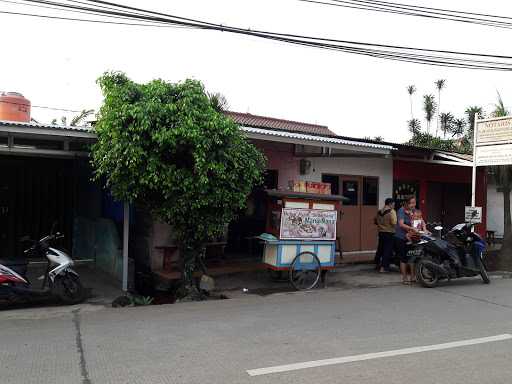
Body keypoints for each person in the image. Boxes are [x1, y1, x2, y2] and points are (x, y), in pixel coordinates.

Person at [394, 196, 419, 284]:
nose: (413, 205)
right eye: (411, 203)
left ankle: (413, 277)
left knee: (412, 257)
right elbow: (401, 224)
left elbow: (420, 220)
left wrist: (424, 228)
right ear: (406, 203)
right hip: (401, 237)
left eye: (414, 203)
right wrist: (412, 228)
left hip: (412, 237)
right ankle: (404, 278)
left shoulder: (414, 211)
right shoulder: (401, 211)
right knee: (403, 258)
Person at [374, 198, 397, 273]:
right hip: (389, 233)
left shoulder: (379, 211)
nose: (394, 205)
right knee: (387, 250)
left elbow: (375, 221)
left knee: (380, 249)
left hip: (381, 232)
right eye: (393, 204)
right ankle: (383, 268)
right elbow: (394, 223)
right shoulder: (391, 211)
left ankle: (377, 264)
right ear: (390, 204)